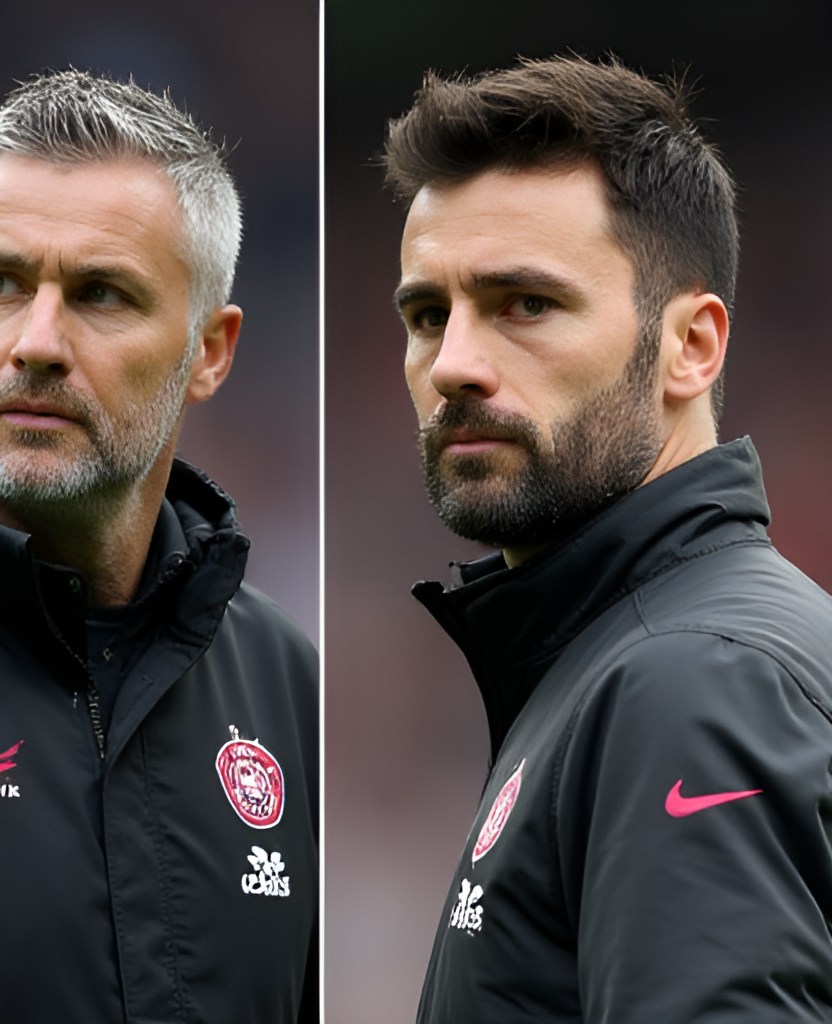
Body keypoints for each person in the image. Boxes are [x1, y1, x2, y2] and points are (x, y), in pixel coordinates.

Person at [0, 71, 317, 1024]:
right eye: (1, 284)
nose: (37, 341)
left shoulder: (283, 682)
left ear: (210, 349)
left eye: (101, 294)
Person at [384, 55, 832, 1022]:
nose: (452, 363)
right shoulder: (626, 657)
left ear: (692, 346)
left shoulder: (691, 679)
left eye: (525, 305)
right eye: (428, 314)